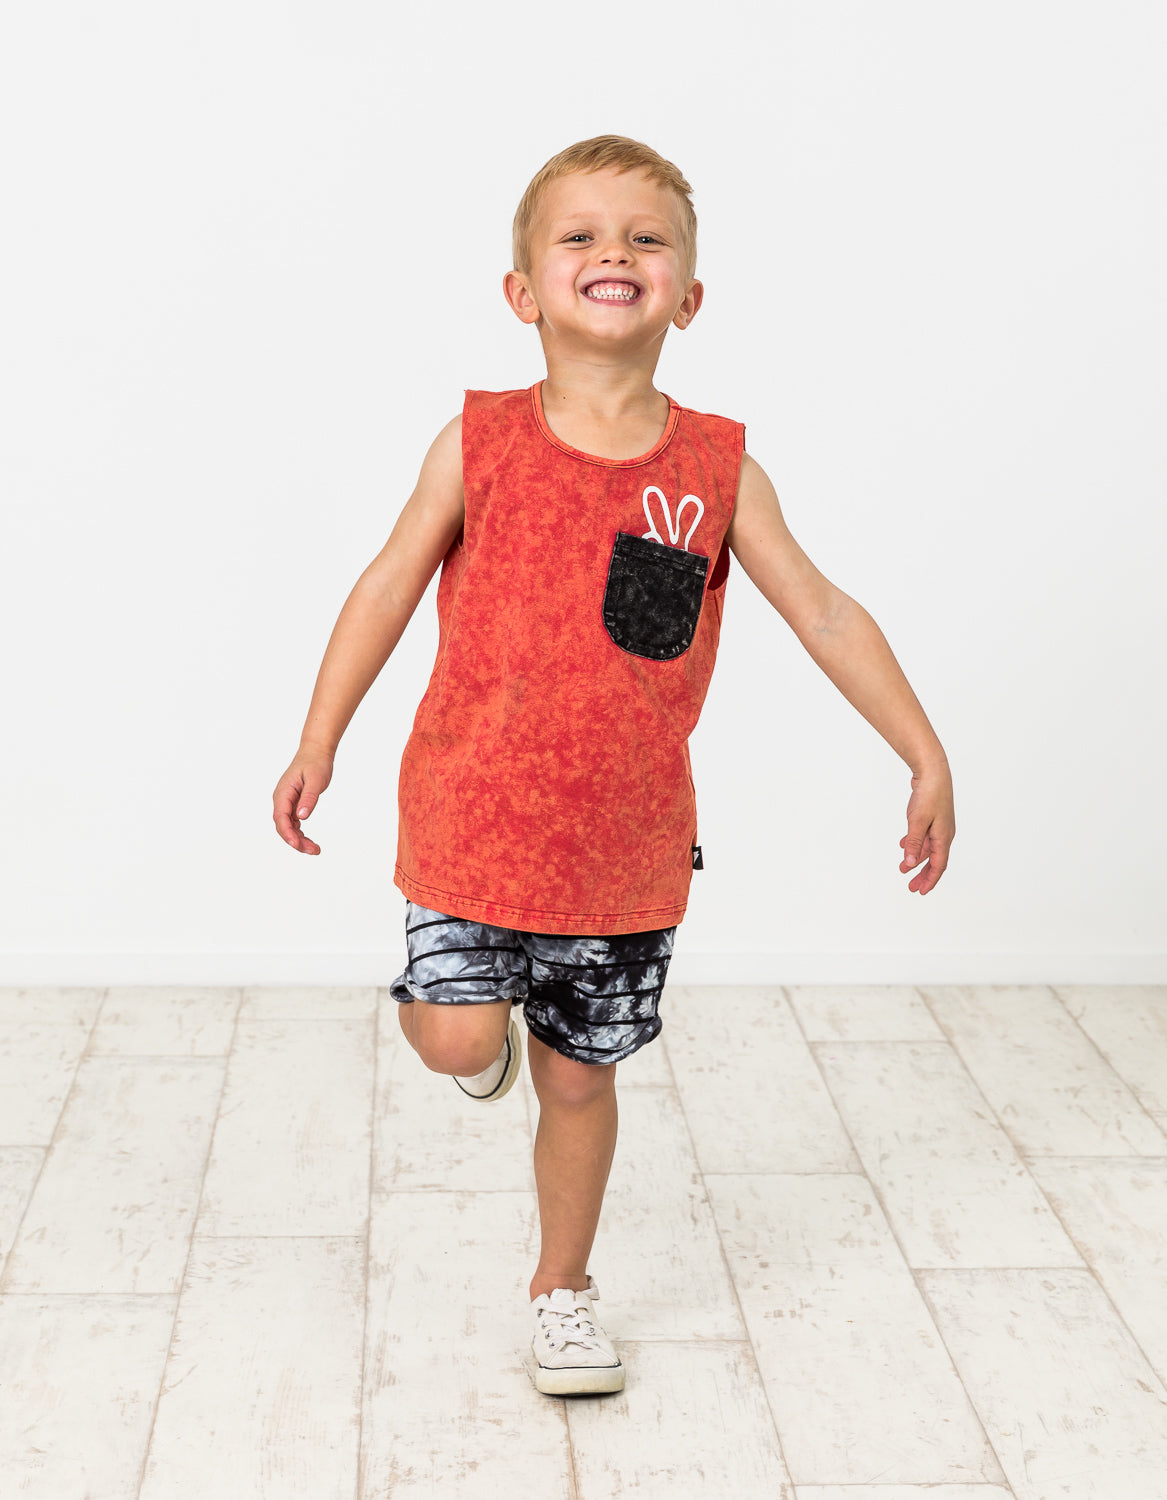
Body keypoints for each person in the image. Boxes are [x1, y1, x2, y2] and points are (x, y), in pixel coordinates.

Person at [272, 134, 955, 1398]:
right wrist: (321, 737)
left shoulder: (718, 470)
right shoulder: (476, 442)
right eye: (579, 235)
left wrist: (923, 751)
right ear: (522, 290)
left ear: (687, 295)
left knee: (580, 1082)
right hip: (468, 822)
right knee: (456, 1036)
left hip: (620, 850)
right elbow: (384, 588)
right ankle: (470, 1039)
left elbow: (824, 612)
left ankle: (562, 1291)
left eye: (646, 239)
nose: (614, 254)